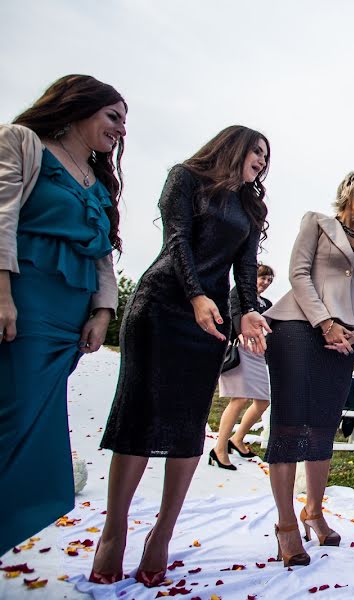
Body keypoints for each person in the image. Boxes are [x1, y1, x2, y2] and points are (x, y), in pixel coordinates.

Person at [90, 126, 272, 586]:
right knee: (139, 413)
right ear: (233, 146)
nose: (262, 161)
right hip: (162, 305)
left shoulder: (251, 206)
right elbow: (178, 241)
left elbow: (245, 267)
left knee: (189, 422)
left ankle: (162, 533)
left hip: (209, 323)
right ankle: (113, 530)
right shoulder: (186, 177)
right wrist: (194, 294)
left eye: (267, 157)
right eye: (257, 151)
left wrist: (248, 309)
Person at [0, 75, 125, 557]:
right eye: (113, 116)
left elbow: (102, 255)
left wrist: (101, 310)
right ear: (79, 107)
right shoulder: (24, 143)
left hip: (70, 318)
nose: (120, 130)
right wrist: (3, 293)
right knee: (14, 419)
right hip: (26, 296)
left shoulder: (96, 180)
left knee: (38, 427)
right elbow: (2, 215)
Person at [263, 171, 354, 567]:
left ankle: (313, 511)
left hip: (344, 340)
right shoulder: (316, 222)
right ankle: (285, 526)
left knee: (323, 427)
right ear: (350, 193)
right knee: (289, 425)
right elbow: (298, 274)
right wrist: (325, 323)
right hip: (298, 328)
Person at [210, 264, 276, 468]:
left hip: (258, 354)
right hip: (239, 349)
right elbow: (234, 314)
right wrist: (241, 334)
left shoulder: (267, 303)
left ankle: (237, 439)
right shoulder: (239, 292)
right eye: (263, 278)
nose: (265, 283)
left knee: (263, 401)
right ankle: (219, 449)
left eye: (269, 280)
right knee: (239, 399)